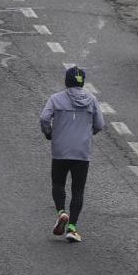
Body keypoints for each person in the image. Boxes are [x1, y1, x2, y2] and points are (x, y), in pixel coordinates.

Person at [39, 66, 106, 242]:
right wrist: (87, 135)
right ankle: (72, 228)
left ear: (66, 81)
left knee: (58, 183)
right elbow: (99, 124)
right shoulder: (92, 100)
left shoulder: (56, 99)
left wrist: (49, 133)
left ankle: (61, 212)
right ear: (83, 82)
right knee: (78, 190)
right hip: (82, 152)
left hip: (60, 150)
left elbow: (44, 118)